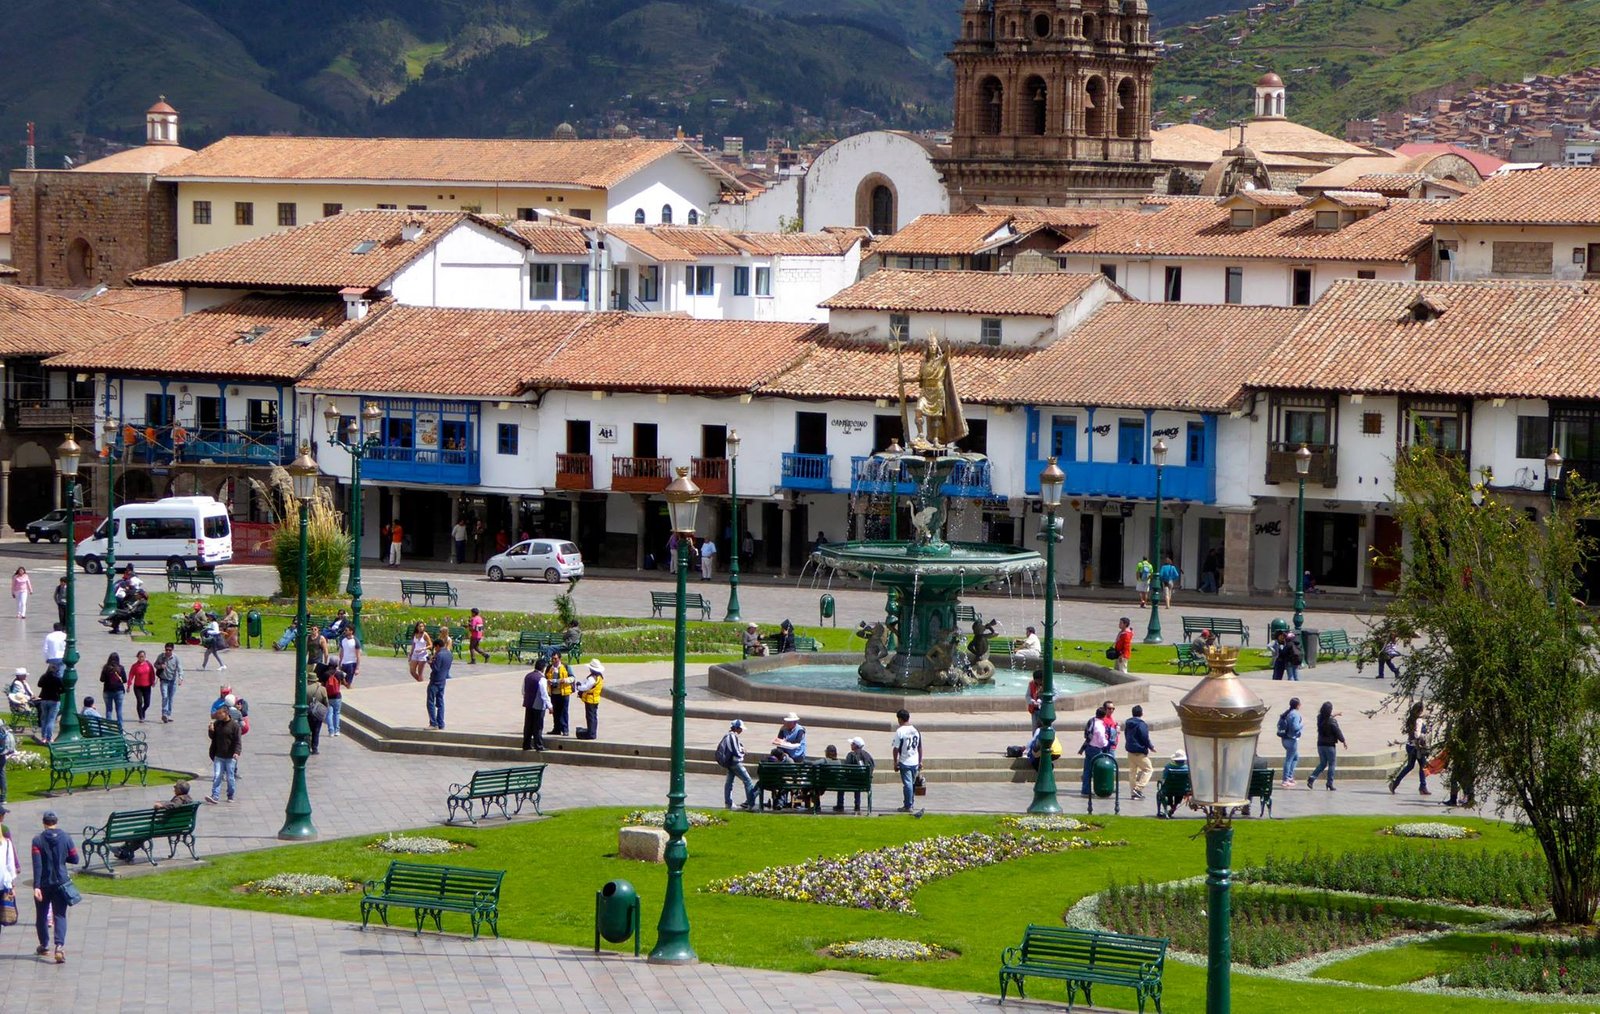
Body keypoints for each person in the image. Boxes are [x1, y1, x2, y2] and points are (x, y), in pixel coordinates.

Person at [30, 810, 79, 963]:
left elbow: (37, 865)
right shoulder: (66, 837)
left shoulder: (37, 840)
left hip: (44, 883)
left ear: (44, 823)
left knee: (42, 915)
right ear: (56, 822)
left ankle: (44, 945)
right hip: (61, 882)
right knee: (60, 915)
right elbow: (75, 858)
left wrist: (36, 886)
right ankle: (59, 946)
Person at [113, 782, 195, 861]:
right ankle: (124, 850)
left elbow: (174, 805)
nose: (173, 788)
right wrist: (164, 804)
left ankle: (124, 850)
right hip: (179, 826)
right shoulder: (189, 799)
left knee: (139, 832)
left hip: (165, 827)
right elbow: (175, 804)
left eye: (175, 787)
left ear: (180, 790)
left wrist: (162, 805)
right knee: (142, 833)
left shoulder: (179, 799)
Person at [1389, 701, 1432, 796]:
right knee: (1422, 766)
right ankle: (1423, 787)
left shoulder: (1411, 719)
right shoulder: (1419, 721)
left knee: (1410, 766)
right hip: (1417, 747)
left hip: (1410, 745)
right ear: (1420, 711)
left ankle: (1395, 783)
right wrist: (1424, 735)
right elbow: (1417, 735)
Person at [717, 719, 756, 810]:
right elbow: (735, 751)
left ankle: (728, 803)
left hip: (730, 762)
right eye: (741, 728)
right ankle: (751, 804)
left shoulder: (728, 736)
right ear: (737, 728)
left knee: (729, 783)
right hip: (735, 763)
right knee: (748, 781)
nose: (742, 731)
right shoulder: (732, 737)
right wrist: (743, 753)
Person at [206, 705, 242, 803]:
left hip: (230, 757)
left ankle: (230, 795)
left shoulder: (235, 726)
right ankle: (215, 796)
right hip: (218, 756)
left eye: (220, 714)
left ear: (226, 713)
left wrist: (237, 752)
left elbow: (238, 741)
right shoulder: (217, 724)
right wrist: (211, 730)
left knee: (230, 778)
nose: (218, 716)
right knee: (217, 775)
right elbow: (212, 737)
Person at [1306, 701, 1345, 791]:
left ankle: (1312, 778)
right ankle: (1329, 783)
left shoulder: (1319, 718)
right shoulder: (1332, 722)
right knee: (1331, 764)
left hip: (1320, 744)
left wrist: (1336, 714)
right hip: (1330, 746)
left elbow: (1328, 717)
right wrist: (1343, 741)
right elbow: (1338, 732)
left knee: (1323, 763)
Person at [890, 709, 922, 812]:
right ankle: (910, 803)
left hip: (905, 761)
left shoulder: (900, 731)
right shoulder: (916, 730)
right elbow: (920, 747)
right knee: (911, 783)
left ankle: (908, 806)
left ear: (900, 719)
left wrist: (895, 762)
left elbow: (895, 748)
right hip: (915, 761)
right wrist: (920, 761)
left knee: (908, 784)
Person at [1124, 704, 1154, 800]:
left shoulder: (1128, 723)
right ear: (1141, 713)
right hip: (1139, 751)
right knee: (1148, 769)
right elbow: (1144, 737)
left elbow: (1126, 734)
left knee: (1133, 772)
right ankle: (1138, 789)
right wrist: (1150, 746)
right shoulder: (1141, 724)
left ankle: (1133, 793)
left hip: (1130, 750)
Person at [1079, 705, 1110, 796]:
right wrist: (1106, 742)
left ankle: (1085, 789)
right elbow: (1102, 741)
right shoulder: (1100, 726)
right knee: (1098, 769)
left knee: (1087, 770)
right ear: (1104, 716)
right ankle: (1100, 788)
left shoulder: (1092, 721)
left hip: (1089, 747)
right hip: (1096, 749)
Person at [838, 736, 874, 813]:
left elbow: (846, 768)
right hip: (864, 782)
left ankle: (840, 805)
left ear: (855, 745)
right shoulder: (868, 755)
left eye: (852, 744)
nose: (851, 745)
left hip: (852, 782)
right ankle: (857, 805)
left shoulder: (851, 755)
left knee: (842, 783)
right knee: (857, 782)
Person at [521, 664, 549, 752]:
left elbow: (523, 690)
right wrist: (550, 706)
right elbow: (544, 694)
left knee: (528, 725)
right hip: (538, 705)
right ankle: (538, 745)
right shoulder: (542, 679)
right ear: (543, 668)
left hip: (528, 704)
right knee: (538, 726)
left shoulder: (528, 676)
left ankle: (526, 744)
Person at [426, 636, 451, 730]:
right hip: (443, 681)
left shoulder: (439, 655)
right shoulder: (449, 654)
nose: (435, 650)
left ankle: (433, 723)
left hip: (435, 681)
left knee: (430, 702)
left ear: (437, 646)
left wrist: (430, 662)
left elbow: (436, 668)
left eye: (435, 648)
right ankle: (441, 723)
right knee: (440, 702)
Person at [574, 659, 604, 739]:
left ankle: (591, 733)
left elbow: (586, 687)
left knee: (590, 717)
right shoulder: (599, 677)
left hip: (590, 699)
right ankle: (592, 732)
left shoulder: (592, 678)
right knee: (593, 717)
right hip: (595, 699)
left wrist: (578, 687)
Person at [1277, 697, 1304, 786]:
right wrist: (1301, 725)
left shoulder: (1287, 713)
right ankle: (1285, 779)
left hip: (1284, 739)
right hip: (1291, 740)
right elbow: (1295, 727)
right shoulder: (1295, 714)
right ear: (1297, 705)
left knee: (1295, 757)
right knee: (1289, 759)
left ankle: (1290, 776)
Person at [546, 651, 573, 736]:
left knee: (564, 711)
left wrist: (565, 680)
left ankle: (565, 729)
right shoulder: (549, 667)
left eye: (555, 659)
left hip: (564, 693)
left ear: (559, 658)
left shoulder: (566, 666)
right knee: (555, 711)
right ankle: (556, 729)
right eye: (552, 659)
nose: (554, 660)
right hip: (553, 693)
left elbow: (572, 677)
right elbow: (545, 677)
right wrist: (548, 682)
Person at [154, 643, 182, 723]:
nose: (168, 651)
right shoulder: (161, 656)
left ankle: (168, 714)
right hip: (163, 680)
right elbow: (155, 664)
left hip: (172, 681)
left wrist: (180, 678)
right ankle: (164, 714)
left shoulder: (175, 658)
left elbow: (180, 668)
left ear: (172, 650)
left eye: (170, 650)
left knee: (170, 698)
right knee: (165, 697)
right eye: (166, 650)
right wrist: (160, 666)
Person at [34, 664, 62, 743]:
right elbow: (63, 688)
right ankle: (49, 738)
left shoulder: (44, 677)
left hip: (44, 699)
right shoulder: (57, 678)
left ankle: (43, 737)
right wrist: (58, 691)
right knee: (51, 720)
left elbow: (39, 684)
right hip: (54, 700)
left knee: (44, 719)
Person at [98, 652, 126, 727]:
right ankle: (120, 729)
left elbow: (101, 679)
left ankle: (109, 728)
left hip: (107, 691)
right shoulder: (121, 668)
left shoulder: (106, 668)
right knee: (119, 710)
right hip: (119, 691)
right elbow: (125, 680)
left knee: (109, 710)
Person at [127, 649, 156, 723]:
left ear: (145, 657)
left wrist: (153, 682)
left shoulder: (148, 664)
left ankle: (142, 711)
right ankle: (141, 717)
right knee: (139, 701)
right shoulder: (135, 666)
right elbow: (131, 675)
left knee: (147, 703)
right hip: (138, 687)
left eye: (143, 656)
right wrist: (128, 686)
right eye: (140, 657)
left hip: (147, 686)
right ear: (137, 657)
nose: (141, 658)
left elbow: (152, 673)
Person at [306, 674, 328, 754]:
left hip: (308, 712)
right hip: (318, 712)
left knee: (308, 731)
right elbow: (326, 701)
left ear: (308, 680)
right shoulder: (322, 689)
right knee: (316, 731)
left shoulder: (305, 689)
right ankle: (315, 748)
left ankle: (307, 747)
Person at [321, 665, 344, 737]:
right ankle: (337, 731)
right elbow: (344, 683)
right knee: (337, 713)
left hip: (328, 697)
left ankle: (331, 731)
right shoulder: (340, 673)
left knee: (329, 714)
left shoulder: (326, 674)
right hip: (337, 696)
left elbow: (322, 685)